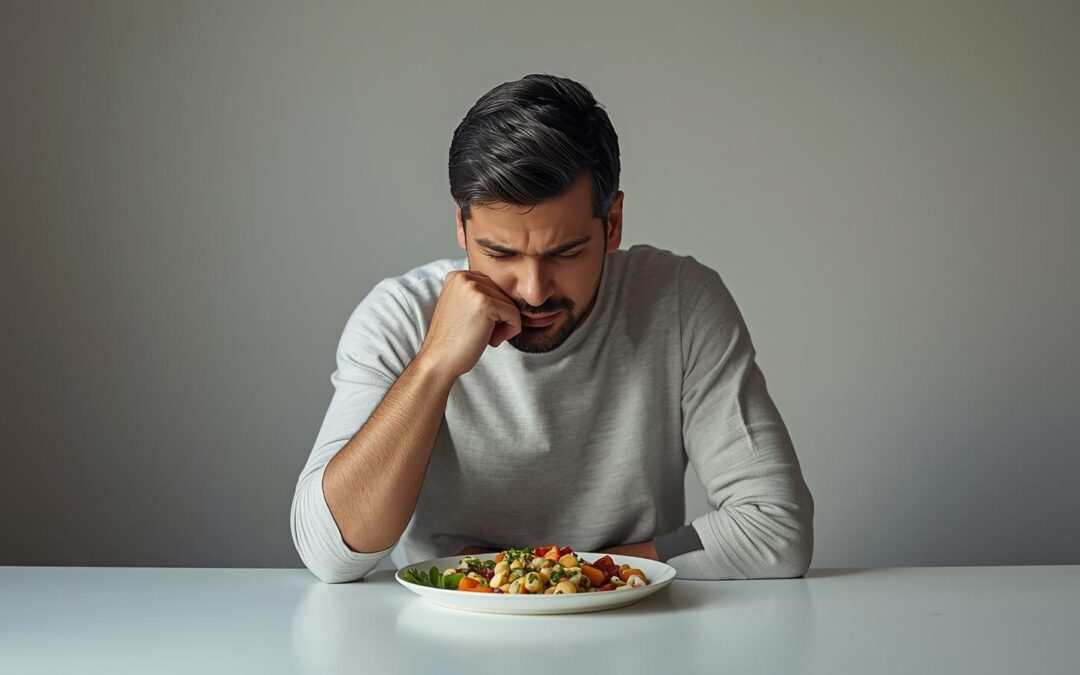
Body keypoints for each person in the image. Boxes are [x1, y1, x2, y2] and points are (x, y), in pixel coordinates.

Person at [290, 73, 814, 583]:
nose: (535, 290)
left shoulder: (679, 301)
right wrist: (432, 366)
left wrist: (569, 575)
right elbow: (330, 554)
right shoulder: (401, 315)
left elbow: (774, 525)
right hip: (447, 629)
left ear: (612, 224)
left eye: (565, 253)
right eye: (500, 253)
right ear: (461, 226)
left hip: (633, 626)